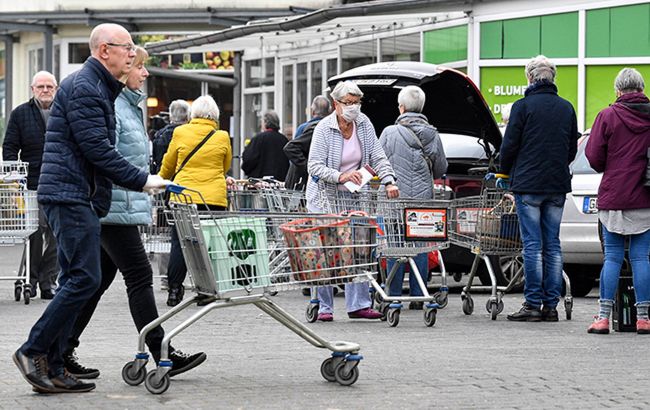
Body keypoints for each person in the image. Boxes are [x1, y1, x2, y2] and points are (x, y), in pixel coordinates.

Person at [13, 23, 169, 394]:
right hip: (69, 194)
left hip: (76, 194)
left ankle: (52, 363)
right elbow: (96, 148)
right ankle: (33, 351)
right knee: (85, 278)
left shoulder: (98, 85)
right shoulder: (86, 87)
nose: (132, 55)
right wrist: (142, 179)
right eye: (126, 48)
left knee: (78, 278)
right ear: (104, 51)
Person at [60, 46, 206, 380]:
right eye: (141, 67)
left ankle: (62, 349)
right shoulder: (113, 105)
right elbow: (105, 157)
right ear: (125, 73)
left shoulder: (130, 107)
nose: (146, 73)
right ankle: (162, 352)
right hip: (113, 206)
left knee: (96, 282)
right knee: (139, 275)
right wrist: (144, 182)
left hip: (122, 206)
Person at [306, 80, 399, 321]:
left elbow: (378, 155)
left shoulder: (363, 124)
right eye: (348, 103)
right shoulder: (324, 129)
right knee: (327, 250)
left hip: (354, 195)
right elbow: (313, 165)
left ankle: (358, 303)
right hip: (325, 197)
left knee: (359, 248)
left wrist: (389, 180)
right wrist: (340, 175)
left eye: (357, 102)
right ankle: (324, 306)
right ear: (336, 104)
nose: (353, 107)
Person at [499, 55, 579, 322]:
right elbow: (571, 148)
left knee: (532, 246)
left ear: (530, 78)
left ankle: (532, 304)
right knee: (553, 245)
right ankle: (551, 306)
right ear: (553, 78)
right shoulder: (566, 108)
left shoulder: (522, 107)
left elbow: (509, 146)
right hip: (556, 185)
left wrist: (504, 171)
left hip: (528, 185)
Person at [585, 68, 650, 335]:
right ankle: (644, 318)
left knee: (612, 257)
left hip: (614, 196)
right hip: (645, 197)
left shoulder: (607, 116)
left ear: (618, 91)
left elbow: (594, 157)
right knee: (641, 258)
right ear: (642, 89)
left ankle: (602, 318)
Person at [159, 95, 233, 306]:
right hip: (213, 199)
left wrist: (160, 180)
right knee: (209, 245)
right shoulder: (222, 136)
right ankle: (207, 291)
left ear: (193, 114)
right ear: (215, 115)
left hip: (184, 196)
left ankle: (174, 290)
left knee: (180, 243)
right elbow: (225, 166)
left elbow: (169, 163)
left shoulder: (180, 132)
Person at [379, 85, 447, 310]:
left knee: (395, 247)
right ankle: (419, 295)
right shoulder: (432, 134)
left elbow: (379, 164)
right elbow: (440, 169)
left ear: (401, 108)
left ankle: (394, 296)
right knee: (419, 246)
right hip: (421, 201)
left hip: (393, 200)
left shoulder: (389, 133)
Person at [2, 71, 60, 300]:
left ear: (55, 88)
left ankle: (47, 282)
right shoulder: (20, 114)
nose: (45, 90)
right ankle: (30, 280)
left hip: (59, 180)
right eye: (41, 87)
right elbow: (9, 147)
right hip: (32, 183)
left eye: (49, 87)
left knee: (57, 234)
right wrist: (14, 175)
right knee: (35, 233)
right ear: (32, 89)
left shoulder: (64, 112)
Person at [284, 95, 331, 191]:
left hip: (301, 180)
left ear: (312, 111)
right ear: (329, 111)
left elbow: (293, 155)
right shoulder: (329, 129)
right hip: (315, 178)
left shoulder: (303, 128)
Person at [241, 110, 290, 181]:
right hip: (280, 182)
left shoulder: (258, 138)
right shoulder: (284, 140)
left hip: (259, 183)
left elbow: (248, 159)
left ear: (266, 123)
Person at [151, 99, 191, 174]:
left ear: (170, 115)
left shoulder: (159, 135)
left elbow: (156, 159)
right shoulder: (191, 135)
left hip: (163, 178)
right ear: (188, 116)